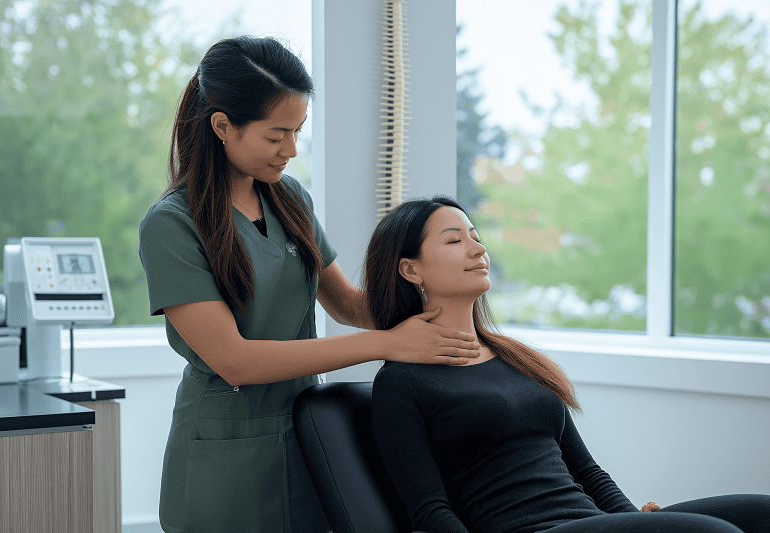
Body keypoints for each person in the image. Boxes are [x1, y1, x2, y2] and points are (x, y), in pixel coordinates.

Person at [138, 37, 481, 533]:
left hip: (306, 439)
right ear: (222, 126)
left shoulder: (290, 198)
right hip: (223, 460)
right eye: (276, 136)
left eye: (298, 132)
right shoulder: (171, 225)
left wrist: (435, 288)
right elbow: (234, 358)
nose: (292, 151)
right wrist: (388, 344)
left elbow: (347, 305)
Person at [367, 196, 770, 533]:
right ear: (410, 269)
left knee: (760, 513)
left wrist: (637, 523)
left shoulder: (518, 360)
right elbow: (429, 511)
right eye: (454, 241)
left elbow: (588, 473)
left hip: (590, 524)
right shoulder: (401, 382)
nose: (478, 249)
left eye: (477, 237)